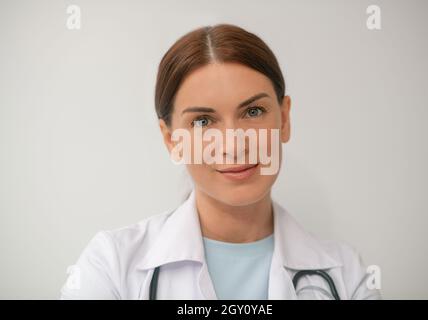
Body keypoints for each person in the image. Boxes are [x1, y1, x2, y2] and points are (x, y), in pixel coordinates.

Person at [60, 23, 381, 300]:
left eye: (253, 112)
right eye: (203, 121)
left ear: (284, 119)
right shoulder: (111, 265)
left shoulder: (347, 275)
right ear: (171, 139)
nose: (233, 145)